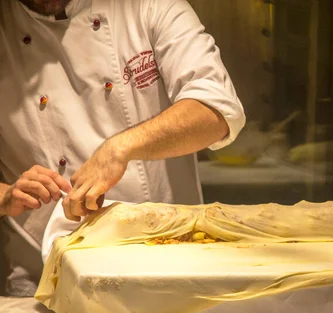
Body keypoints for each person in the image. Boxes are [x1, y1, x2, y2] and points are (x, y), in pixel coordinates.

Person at [0, 0, 246, 296]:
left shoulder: (149, 6)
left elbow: (216, 111)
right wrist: (5, 196)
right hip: (44, 284)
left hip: (167, 269)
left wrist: (120, 148)